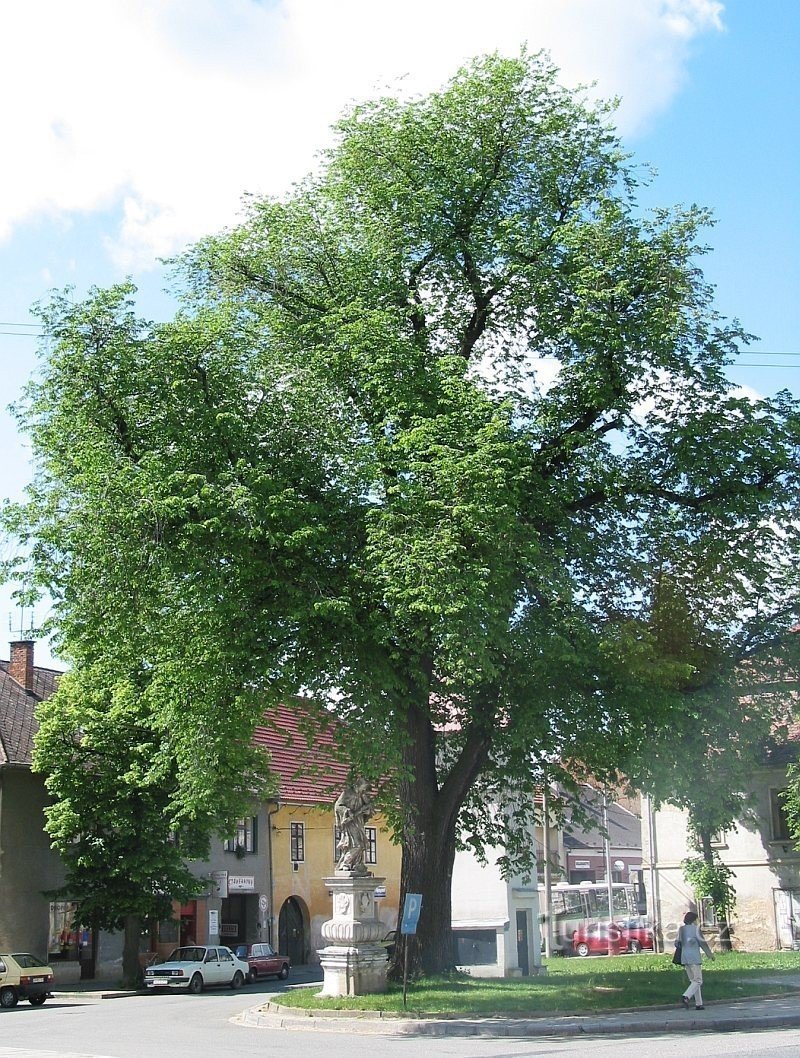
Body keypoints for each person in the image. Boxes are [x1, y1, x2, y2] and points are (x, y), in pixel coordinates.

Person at [676, 910, 715, 1010]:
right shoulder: (696, 929)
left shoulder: (681, 929)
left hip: (684, 958)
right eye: (696, 919)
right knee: (698, 981)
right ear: (693, 920)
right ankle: (686, 996)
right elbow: (703, 943)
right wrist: (710, 955)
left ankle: (699, 1003)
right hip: (694, 958)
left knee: (693, 981)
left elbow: (677, 943)